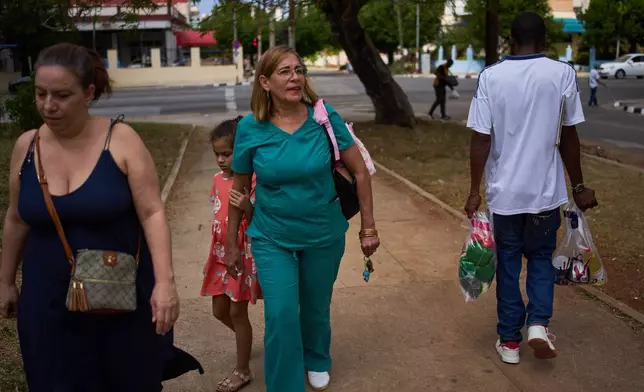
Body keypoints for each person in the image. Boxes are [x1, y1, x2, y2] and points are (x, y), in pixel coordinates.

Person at [0, 43, 180, 391]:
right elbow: (16, 218)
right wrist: (6, 280)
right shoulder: (27, 146)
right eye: (41, 94)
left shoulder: (122, 140)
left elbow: (153, 211)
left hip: (120, 299)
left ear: (89, 93)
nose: (48, 105)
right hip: (47, 302)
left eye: (62, 95)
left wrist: (165, 283)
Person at [225, 45, 380, 392]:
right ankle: (284, 385)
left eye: (299, 70)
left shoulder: (324, 118)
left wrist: (368, 227)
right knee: (280, 314)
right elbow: (238, 192)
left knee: (314, 306)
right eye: (284, 71)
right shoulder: (250, 128)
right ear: (265, 81)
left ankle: (317, 357)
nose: (295, 77)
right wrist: (231, 244)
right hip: (271, 236)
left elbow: (361, 173)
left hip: (323, 233)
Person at [464, 12, 598, 365]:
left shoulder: (490, 77)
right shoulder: (562, 74)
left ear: (511, 40)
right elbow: (570, 136)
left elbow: (481, 139)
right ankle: (537, 324)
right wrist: (580, 185)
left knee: (508, 263)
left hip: (504, 196)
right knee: (540, 258)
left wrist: (474, 191)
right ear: (543, 40)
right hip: (544, 195)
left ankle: (509, 341)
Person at [201, 117, 261, 392]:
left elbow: (260, 219)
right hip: (220, 254)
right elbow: (217, 221)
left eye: (227, 153)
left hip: (243, 255)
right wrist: (212, 257)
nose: (221, 160)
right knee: (218, 310)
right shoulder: (216, 181)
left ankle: (243, 369)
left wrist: (248, 206)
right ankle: (244, 341)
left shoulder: (252, 180)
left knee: (238, 312)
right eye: (217, 154)